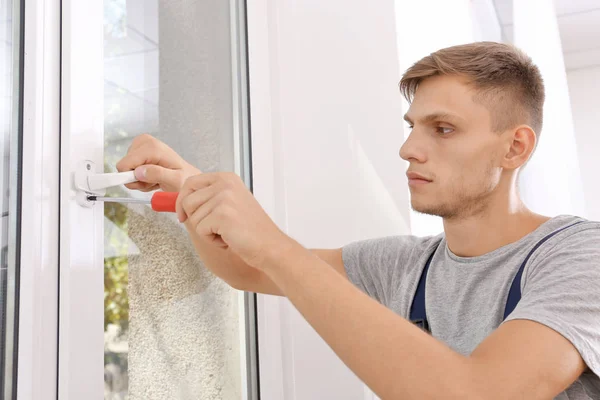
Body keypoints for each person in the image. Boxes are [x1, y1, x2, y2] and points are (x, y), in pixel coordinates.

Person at [117, 42, 600, 399]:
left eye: (444, 129)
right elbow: (249, 268)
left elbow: (477, 394)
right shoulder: (404, 266)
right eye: (413, 127)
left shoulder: (580, 256)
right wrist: (190, 185)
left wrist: (273, 243)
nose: (409, 149)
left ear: (515, 147)